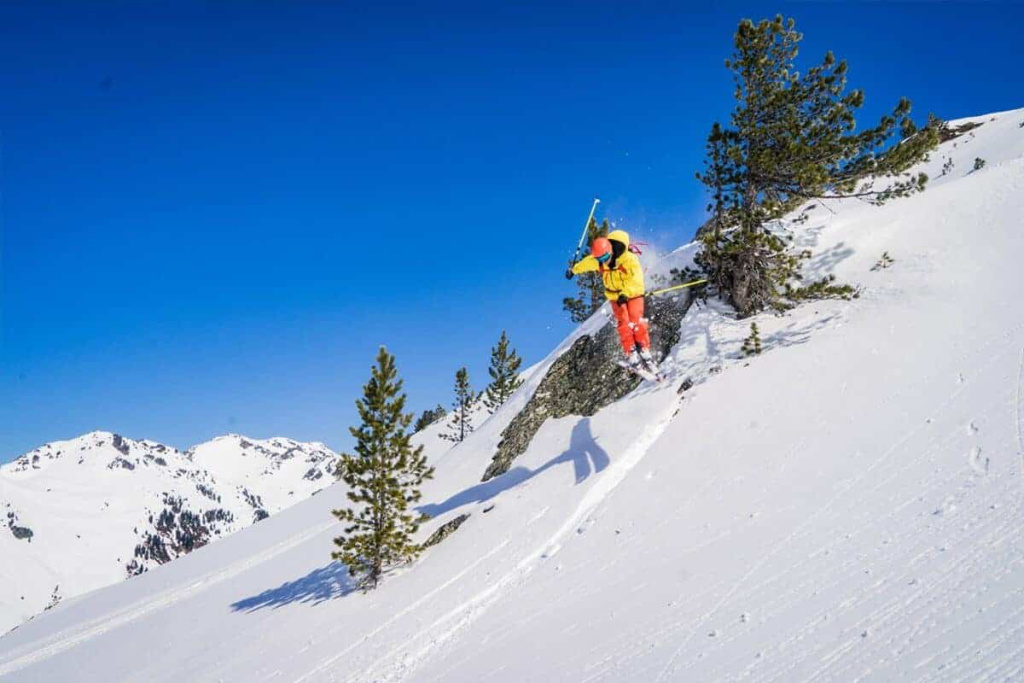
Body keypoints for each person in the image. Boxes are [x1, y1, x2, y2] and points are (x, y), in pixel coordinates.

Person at [565, 229, 655, 370]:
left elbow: (637, 279)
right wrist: (573, 270)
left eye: (605, 257)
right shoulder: (599, 261)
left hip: (632, 293)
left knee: (636, 320)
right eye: (600, 259)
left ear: (610, 249)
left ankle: (643, 348)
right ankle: (631, 352)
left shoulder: (629, 259)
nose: (603, 261)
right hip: (614, 296)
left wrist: (625, 293)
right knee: (624, 323)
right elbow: (586, 263)